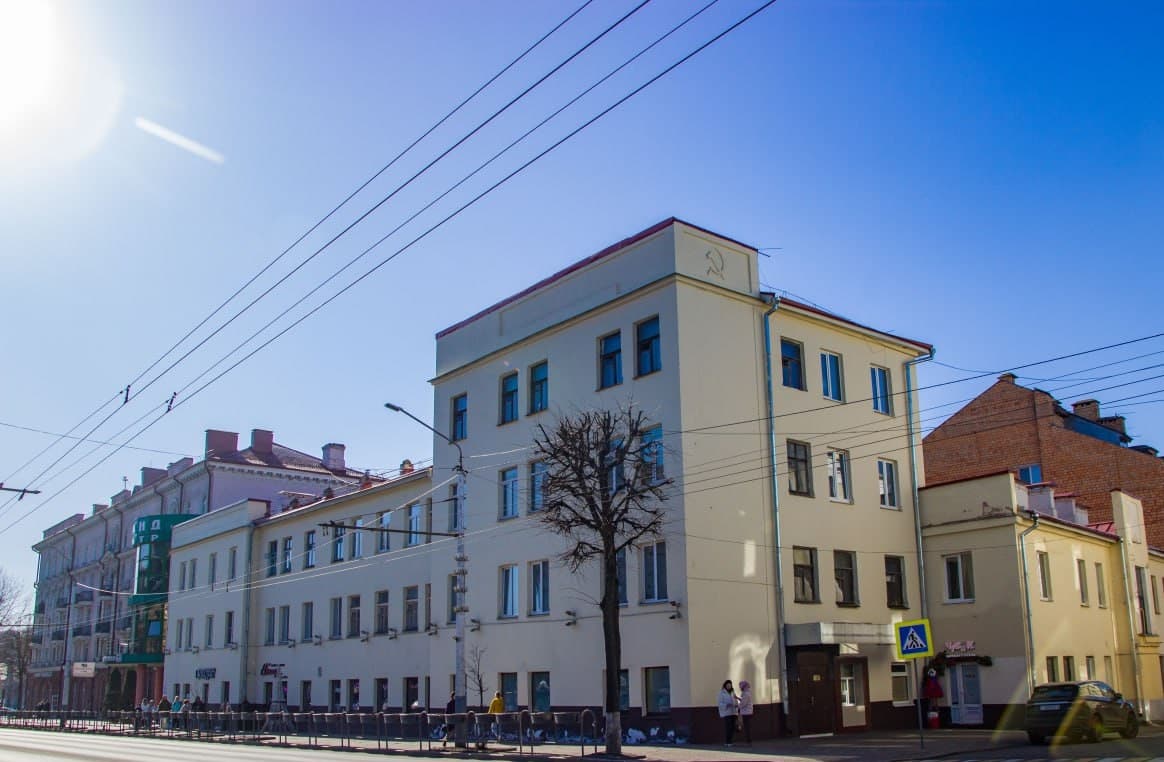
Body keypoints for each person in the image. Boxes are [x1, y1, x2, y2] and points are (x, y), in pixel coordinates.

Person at [717, 680, 738, 746]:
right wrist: (726, 705)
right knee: (728, 727)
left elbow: (736, 700)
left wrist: (736, 704)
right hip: (726, 713)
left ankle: (730, 741)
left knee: (733, 727)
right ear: (725, 686)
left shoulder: (733, 692)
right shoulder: (721, 693)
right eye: (727, 685)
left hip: (734, 712)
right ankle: (727, 742)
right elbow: (720, 703)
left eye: (730, 685)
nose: (729, 686)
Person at [737, 681, 754, 746]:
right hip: (747, 712)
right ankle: (748, 740)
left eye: (740, 686)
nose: (740, 688)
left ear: (743, 687)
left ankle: (748, 740)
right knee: (747, 726)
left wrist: (737, 706)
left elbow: (743, 703)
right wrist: (738, 698)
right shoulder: (746, 693)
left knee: (747, 727)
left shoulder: (746, 694)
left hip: (746, 712)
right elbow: (744, 701)